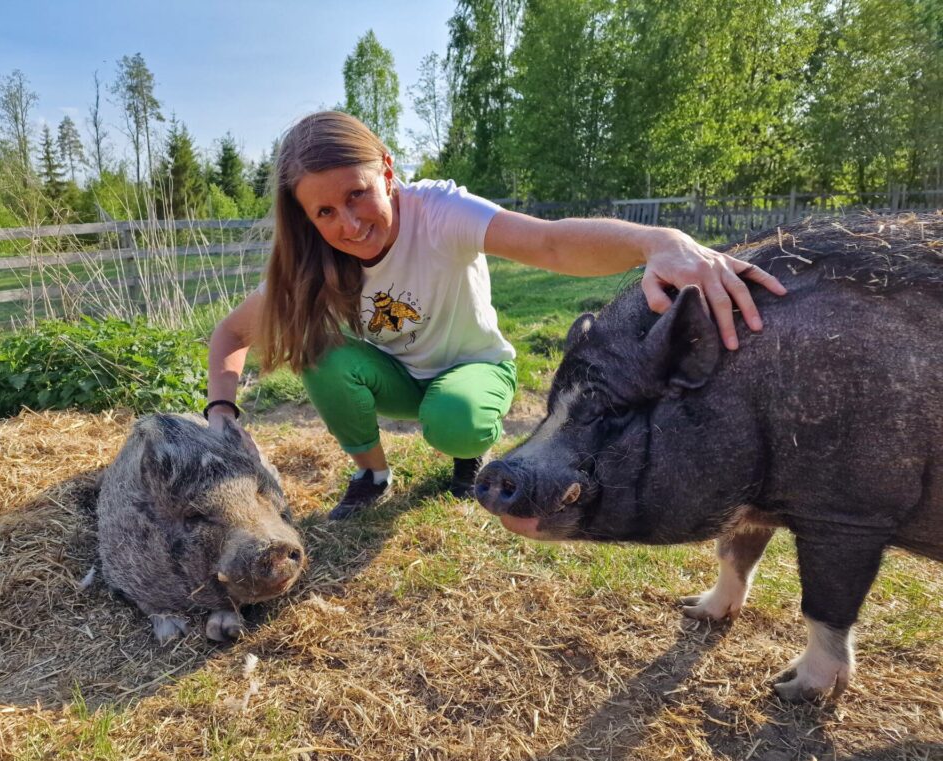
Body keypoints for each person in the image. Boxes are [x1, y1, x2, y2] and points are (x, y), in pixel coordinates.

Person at [205, 111, 785, 520]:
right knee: (322, 360)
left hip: (474, 367)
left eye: (357, 194)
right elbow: (231, 332)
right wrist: (222, 410)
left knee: (453, 416)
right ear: (307, 219)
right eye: (325, 212)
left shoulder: (439, 212)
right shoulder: (318, 262)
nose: (349, 224)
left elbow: (550, 243)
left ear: (386, 169)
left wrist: (654, 242)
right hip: (400, 377)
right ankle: (373, 475)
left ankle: (467, 451)